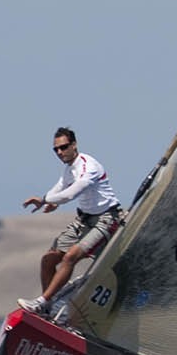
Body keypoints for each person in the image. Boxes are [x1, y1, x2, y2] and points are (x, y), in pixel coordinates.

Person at [18, 127, 124, 314]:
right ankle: (47, 308)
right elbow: (59, 188)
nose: (60, 152)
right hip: (84, 219)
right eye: (56, 149)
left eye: (64, 147)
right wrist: (50, 200)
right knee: (48, 259)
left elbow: (71, 194)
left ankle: (42, 302)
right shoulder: (69, 168)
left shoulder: (88, 167)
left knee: (69, 257)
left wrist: (45, 200)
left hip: (107, 219)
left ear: (74, 145)